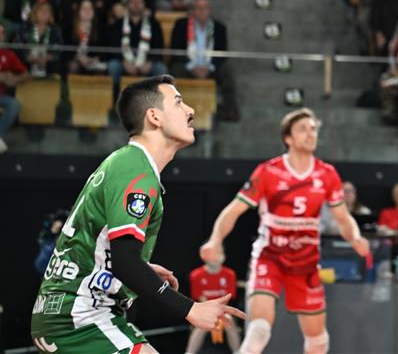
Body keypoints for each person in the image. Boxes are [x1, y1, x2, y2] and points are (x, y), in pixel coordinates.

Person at [30, 76, 245, 352]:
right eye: (178, 102)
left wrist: (141, 268)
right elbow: (125, 261)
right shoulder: (136, 169)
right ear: (154, 117)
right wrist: (190, 309)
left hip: (67, 313)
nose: (190, 110)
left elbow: (99, 246)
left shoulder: (127, 163)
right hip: (80, 317)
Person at [199, 109, 370, 354]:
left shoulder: (327, 174)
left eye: (313, 129)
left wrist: (355, 237)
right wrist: (215, 240)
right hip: (270, 256)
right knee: (259, 330)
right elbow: (234, 210)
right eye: (303, 129)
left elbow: (342, 217)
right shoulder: (268, 171)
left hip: (306, 262)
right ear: (288, 138)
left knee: (318, 340)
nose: (310, 134)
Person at [170, 0, 236, 119]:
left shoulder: (219, 27)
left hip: (210, 67)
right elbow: (175, 50)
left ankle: (229, 110)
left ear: (209, 10)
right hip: (187, 66)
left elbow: (222, 53)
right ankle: (173, 110)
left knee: (227, 70)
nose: (202, 11)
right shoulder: (181, 25)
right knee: (175, 70)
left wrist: (208, 68)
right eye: (198, 8)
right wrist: (192, 67)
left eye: (205, 8)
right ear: (192, 11)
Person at [185, 246, 243, 354]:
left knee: (229, 320)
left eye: (219, 253)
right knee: (202, 323)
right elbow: (201, 298)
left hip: (223, 310)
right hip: (204, 310)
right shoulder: (196, 275)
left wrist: (218, 311)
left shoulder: (230, 274)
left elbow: (227, 298)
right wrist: (210, 312)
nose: (217, 257)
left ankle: (238, 351)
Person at [105, 0, 168, 84]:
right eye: (133, 1)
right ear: (128, 5)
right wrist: (124, 62)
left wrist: (150, 62)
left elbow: (158, 46)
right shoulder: (118, 24)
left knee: (160, 69)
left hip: (147, 62)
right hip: (123, 62)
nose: (136, 4)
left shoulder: (154, 24)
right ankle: (116, 93)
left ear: (144, 5)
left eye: (139, 2)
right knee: (113, 66)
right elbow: (113, 46)